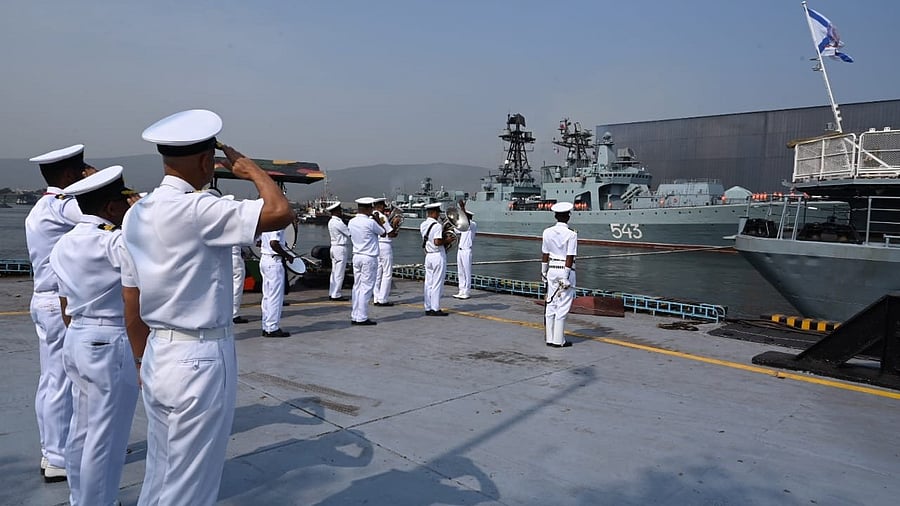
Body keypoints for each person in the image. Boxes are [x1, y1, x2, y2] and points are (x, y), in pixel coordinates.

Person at [120, 109, 294, 506]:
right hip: (198, 357)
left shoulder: (136, 214)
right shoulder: (197, 209)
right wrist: (252, 171)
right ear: (205, 162)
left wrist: (140, 357)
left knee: (162, 472)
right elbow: (280, 211)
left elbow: (131, 295)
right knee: (191, 484)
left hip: (157, 354)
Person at [49, 165, 139, 505]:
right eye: (125, 201)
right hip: (109, 338)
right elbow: (136, 296)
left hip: (77, 336)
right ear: (112, 208)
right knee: (108, 436)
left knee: (83, 429)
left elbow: (63, 301)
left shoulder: (64, 243)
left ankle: (81, 497)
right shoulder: (114, 242)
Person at [25, 143, 90, 481]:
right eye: (81, 170)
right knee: (61, 380)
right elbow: (110, 215)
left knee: (54, 378)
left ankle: (56, 448)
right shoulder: (62, 206)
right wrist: (102, 186)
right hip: (58, 302)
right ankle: (56, 456)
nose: (86, 174)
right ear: (69, 175)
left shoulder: (42, 206)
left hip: (48, 299)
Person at [541, 201, 578, 348]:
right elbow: (570, 256)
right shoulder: (571, 234)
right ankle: (558, 340)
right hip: (565, 270)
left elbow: (545, 253)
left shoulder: (547, 232)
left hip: (551, 269)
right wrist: (565, 276)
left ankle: (549, 338)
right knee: (562, 306)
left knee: (550, 304)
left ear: (556, 216)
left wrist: (543, 271)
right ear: (568, 216)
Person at [348, 197, 384, 325]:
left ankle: (355, 315)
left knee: (357, 287)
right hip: (368, 257)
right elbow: (383, 233)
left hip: (356, 256)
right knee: (366, 288)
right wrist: (377, 220)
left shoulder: (351, 222)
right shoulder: (370, 222)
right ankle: (362, 317)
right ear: (368, 208)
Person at [259, 226, 295, 337]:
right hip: (274, 261)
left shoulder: (266, 224)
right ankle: (272, 327)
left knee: (267, 296)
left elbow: (258, 242)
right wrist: (287, 255)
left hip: (264, 259)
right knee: (275, 296)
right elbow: (274, 243)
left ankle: (266, 326)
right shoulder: (278, 225)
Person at [222, 195, 250, 324]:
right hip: (235, 259)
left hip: (223, 260)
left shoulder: (220, 223)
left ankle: (224, 312)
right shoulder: (236, 223)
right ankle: (234, 314)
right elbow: (246, 240)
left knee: (224, 288)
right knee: (236, 287)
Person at [420, 202, 450, 316]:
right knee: (437, 283)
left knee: (429, 283)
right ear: (434, 213)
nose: (439, 215)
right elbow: (437, 242)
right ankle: (435, 308)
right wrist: (448, 240)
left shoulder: (423, 224)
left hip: (428, 256)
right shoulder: (437, 226)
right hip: (437, 256)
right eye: (438, 212)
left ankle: (428, 307)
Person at [372, 197, 397, 306]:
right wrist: (395, 225)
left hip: (376, 246)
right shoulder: (382, 217)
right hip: (385, 246)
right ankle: (383, 299)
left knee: (377, 273)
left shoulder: (371, 216)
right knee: (387, 273)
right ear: (381, 206)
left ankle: (376, 297)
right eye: (384, 206)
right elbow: (390, 233)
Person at [326, 201, 350, 301]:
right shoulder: (338, 223)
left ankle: (332, 292)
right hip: (340, 248)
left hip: (333, 247)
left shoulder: (331, 222)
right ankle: (336, 294)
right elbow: (349, 233)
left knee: (334, 272)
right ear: (336, 211)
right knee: (339, 272)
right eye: (340, 210)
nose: (341, 212)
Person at [452, 203, 476, 299]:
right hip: (460, 250)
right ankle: (461, 290)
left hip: (467, 250)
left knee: (467, 271)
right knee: (460, 271)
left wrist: (462, 209)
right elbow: (455, 230)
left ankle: (467, 292)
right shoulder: (463, 226)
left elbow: (467, 223)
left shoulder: (472, 225)